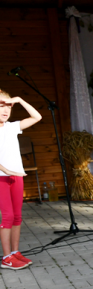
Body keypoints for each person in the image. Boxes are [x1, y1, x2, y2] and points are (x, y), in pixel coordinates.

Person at [0, 90, 42, 270]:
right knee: (7, 216)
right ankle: (6, 257)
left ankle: (15, 252)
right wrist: (6, 170)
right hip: (2, 178)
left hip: (16, 177)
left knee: (17, 216)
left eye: (9, 106)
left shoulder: (11, 126)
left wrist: (19, 100)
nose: (5, 110)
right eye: (1, 105)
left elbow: (37, 117)